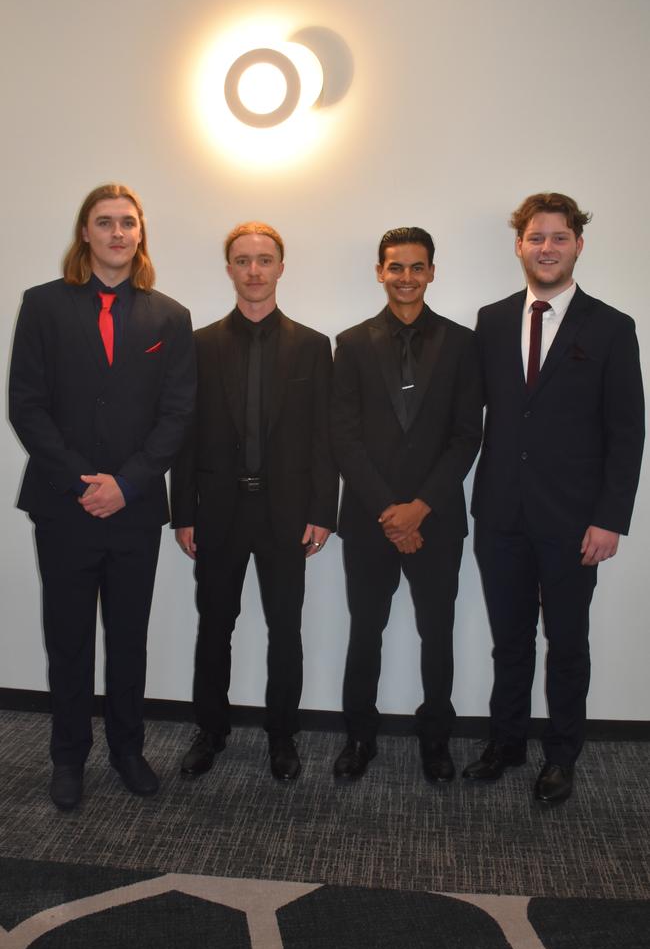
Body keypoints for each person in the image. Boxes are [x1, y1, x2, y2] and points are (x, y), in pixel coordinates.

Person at [9, 183, 196, 810]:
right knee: (67, 637)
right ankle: (69, 757)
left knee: (128, 636)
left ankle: (127, 749)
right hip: (64, 505)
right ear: (84, 233)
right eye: (104, 222)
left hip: (135, 507)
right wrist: (83, 482)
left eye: (128, 223)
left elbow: (177, 415)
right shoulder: (42, 305)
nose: (117, 233)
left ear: (140, 234)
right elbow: (26, 406)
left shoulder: (168, 316)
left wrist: (128, 483)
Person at [464, 192, 645, 804]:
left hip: (574, 522)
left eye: (559, 237)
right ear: (519, 245)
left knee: (567, 643)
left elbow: (628, 431)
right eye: (536, 237)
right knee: (509, 639)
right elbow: (472, 417)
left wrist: (610, 519)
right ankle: (506, 743)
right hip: (500, 514)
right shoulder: (490, 320)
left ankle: (561, 755)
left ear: (578, 245)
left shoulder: (613, 327)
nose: (547, 247)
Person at [171, 222, 338, 782]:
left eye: (264, 260)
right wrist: (184, 513)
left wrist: (323, 511)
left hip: (287, 514)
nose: (254, 270)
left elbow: (323, 437)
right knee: (215, 626)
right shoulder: (199, 345)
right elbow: (184, 435)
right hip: (218, 512)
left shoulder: (314, 347)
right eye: (242, 260)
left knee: (285, 630)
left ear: (281, 267)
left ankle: (283, 736)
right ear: (229, 269)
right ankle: (210, 730)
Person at [330, 227, 483, 782]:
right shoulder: (348, 344)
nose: (406, 278)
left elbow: (468, 436)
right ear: (380, 272)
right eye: (396, 267)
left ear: (432, 273)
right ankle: (359, 738)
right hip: (371, 521)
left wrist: (419, 508)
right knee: (364, 631)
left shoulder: (465, 345)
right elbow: (343, 437)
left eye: (417, 267)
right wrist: (390, 513)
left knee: (437, 633)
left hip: (436, 521)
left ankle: (436, 740)